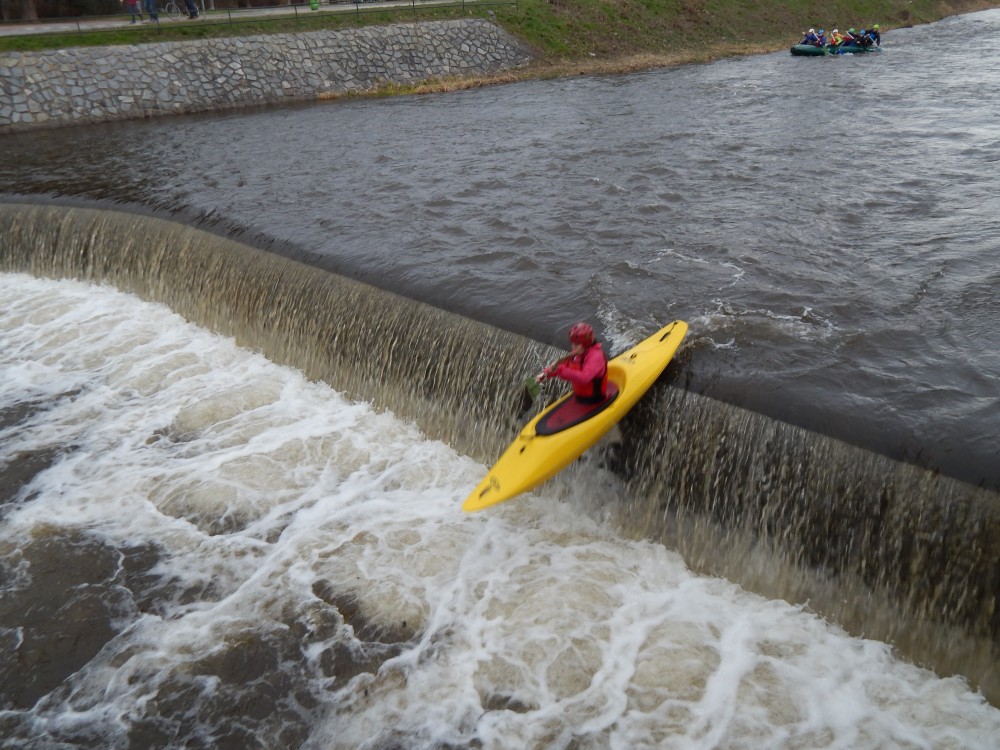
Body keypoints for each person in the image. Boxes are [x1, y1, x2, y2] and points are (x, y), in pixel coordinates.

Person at [536, 322, 609, 404]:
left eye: (577, 344)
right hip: (580, 397)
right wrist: (546, 374)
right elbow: (562, 364)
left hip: (595, 400)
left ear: (587, 344)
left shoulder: (596, 356)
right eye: (572, 343)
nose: (573, 347)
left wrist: (559, 370)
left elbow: (584, 378)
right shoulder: (578, 353)